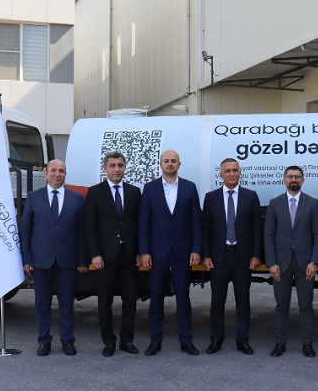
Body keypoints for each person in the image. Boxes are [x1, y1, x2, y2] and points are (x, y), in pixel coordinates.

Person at [20, 160, 88, 356]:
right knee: (42, 304)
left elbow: (82, 232)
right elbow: (26, 230)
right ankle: (44, 341)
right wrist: (26, 259)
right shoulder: (33, 197)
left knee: (67, 304)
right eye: (53, 171)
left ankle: (67, 341)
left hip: (67, 260)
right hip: (41, 260)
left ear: (65, 174)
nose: (57, 174)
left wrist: (82, 260)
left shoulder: (76, 199)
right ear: (45, 173)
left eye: (61, 171)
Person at [138, 149, 202, 356]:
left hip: (183, 251)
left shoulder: (190, 188)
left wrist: (196, 249)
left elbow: (196, 221)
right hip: (157, 251)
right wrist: (144, 251)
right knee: (156, 298)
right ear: (161, 164)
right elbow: (144, 222)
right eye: (166, 161)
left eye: (173, 161)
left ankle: (186, 340)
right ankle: (155, 341)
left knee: (183, 298)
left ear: (179, 164)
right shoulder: (150, 188)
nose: (170, 164)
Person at [201, 158, 262, 355]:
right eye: (227, 171)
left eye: (235, 170)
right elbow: (206, 229)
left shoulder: (250, 196)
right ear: (221, 174)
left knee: (243, 302)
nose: (232, 174)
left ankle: (242, 340)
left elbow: (257, 228)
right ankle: (216, 339)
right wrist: (206, 255)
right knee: (217, 302)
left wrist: (256, 255)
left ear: (240, 172)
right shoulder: (211, 198)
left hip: (242, 258)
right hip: (219, 258)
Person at [83, 151, 142, 357]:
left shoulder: (134, 192)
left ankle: (127, 340)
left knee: (130, 301)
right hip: (105, 258)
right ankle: (108, 342)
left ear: (124, 167)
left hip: (129, 256)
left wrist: (140, 251)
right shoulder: (95, 192)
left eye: (120, 165)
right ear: (105, 168)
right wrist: (94, 254)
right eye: (112, 165)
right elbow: (89, 226)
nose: (117, 169)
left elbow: (140, 224)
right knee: (105, 302)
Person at [264, 166, 318, 357]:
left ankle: (307, 344)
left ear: (303, 180)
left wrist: (315, 261)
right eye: (290, 176)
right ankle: (280, 343)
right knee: (281, 306)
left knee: (306, 305)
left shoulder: (312, 203)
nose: (293, 179)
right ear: (284, 180)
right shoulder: (274, 204)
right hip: (280, 263)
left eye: (297, 176)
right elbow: (268, 235)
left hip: (305, 263)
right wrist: (271, 263)